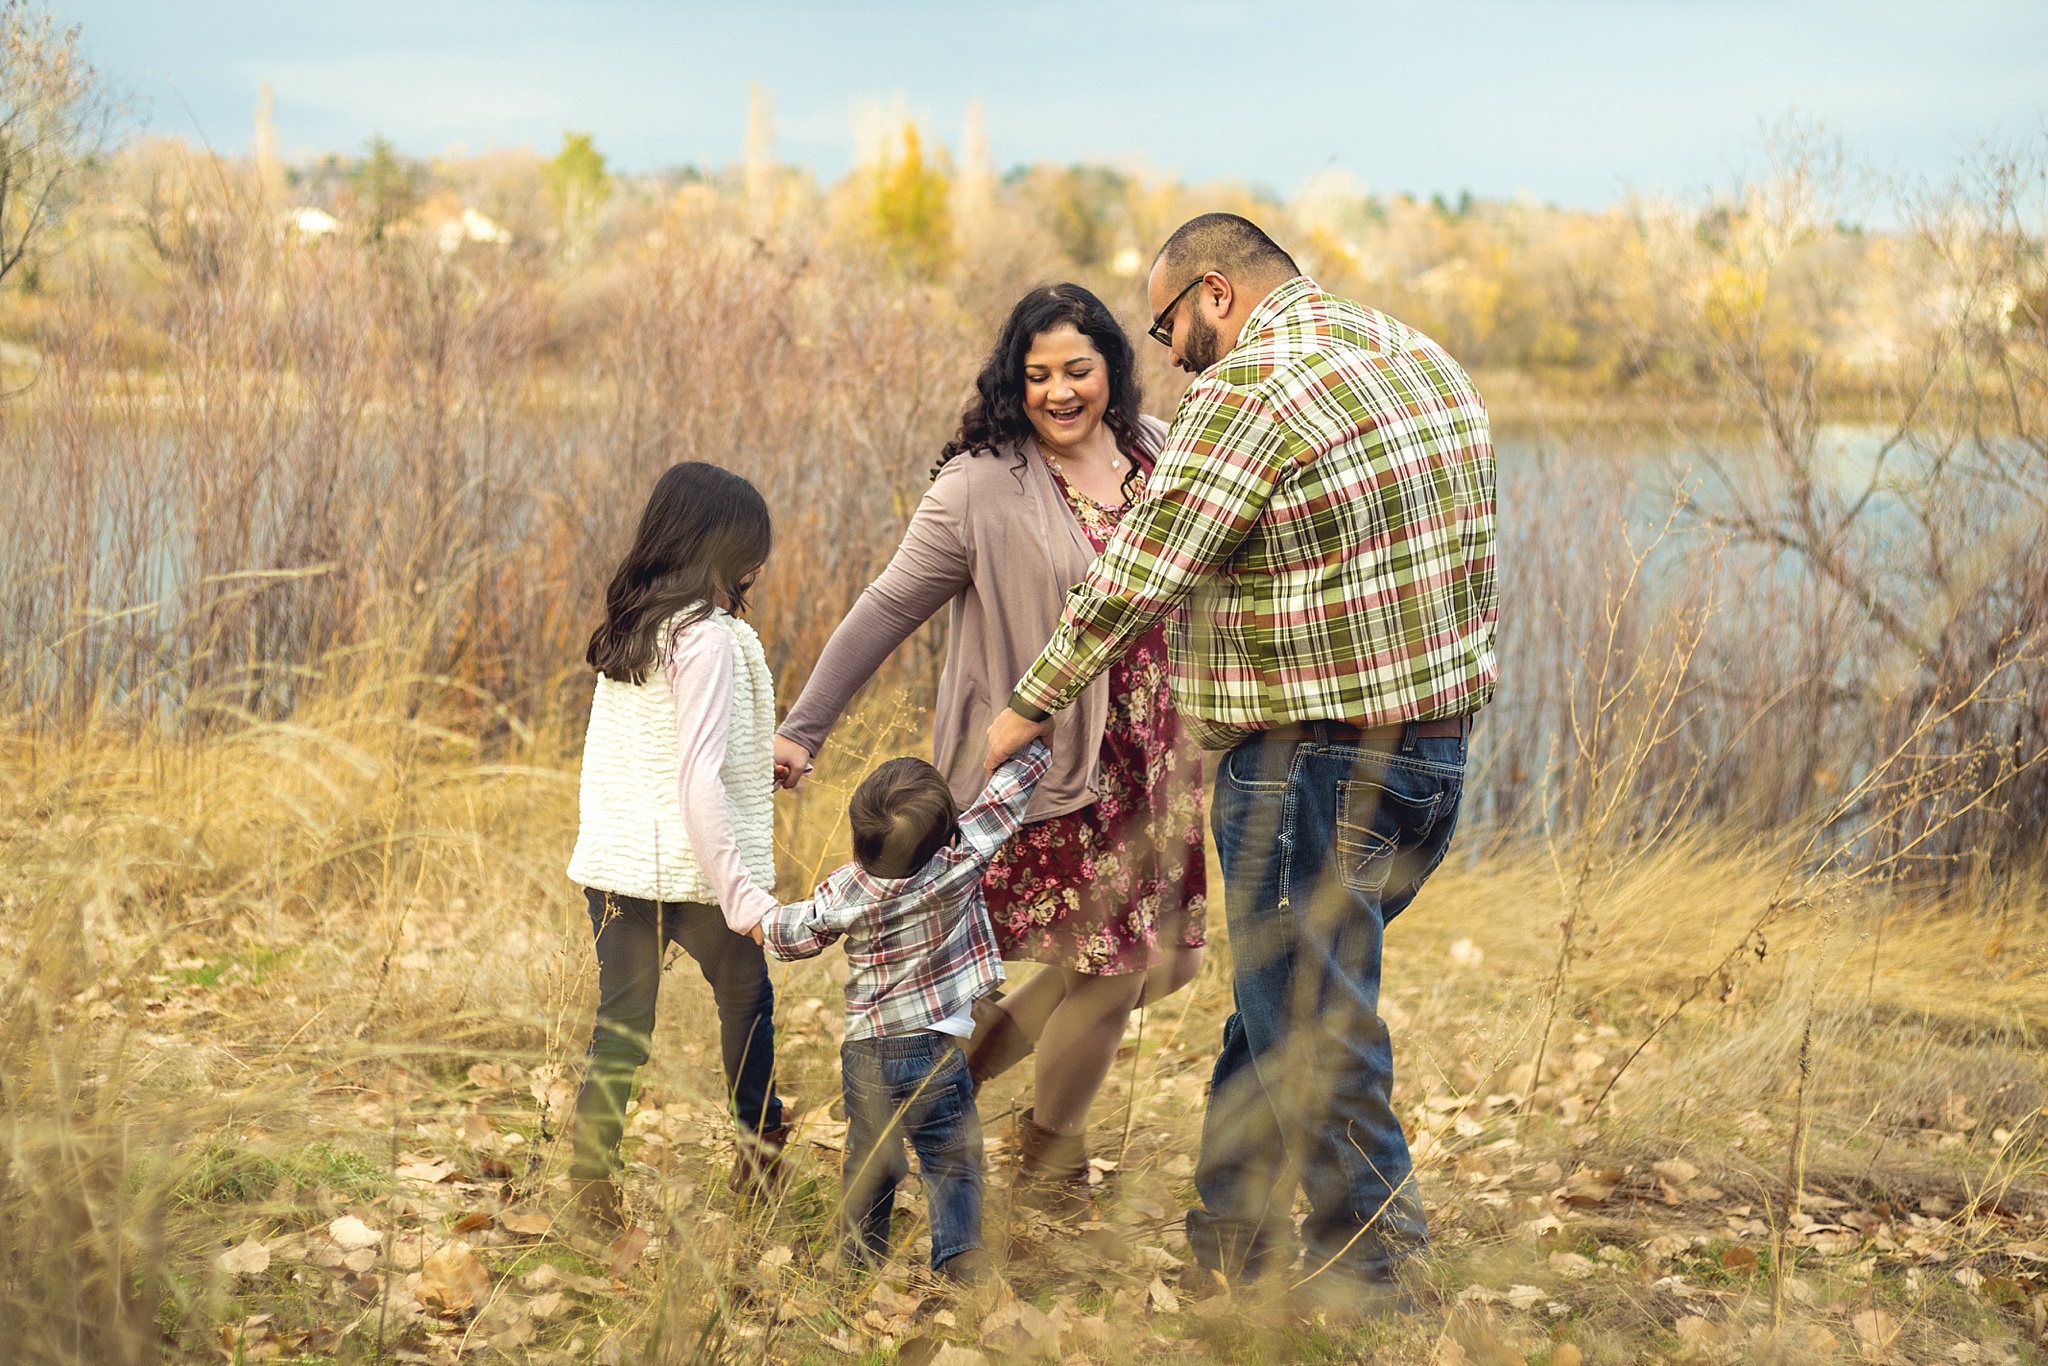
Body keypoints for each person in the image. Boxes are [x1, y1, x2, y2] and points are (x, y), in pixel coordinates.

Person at [983, 214, 1498, 1310]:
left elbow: (1140, 573)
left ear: (1215, 292)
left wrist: (1024, 709)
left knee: (1311, 1017)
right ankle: (1227, 1235)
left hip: (1308, 767)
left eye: (1167, 322)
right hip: (1434, 763)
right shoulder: (1421, 361)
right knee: (1285, 998)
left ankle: (1380, 1278)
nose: (1165, 354)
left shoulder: (1246, 392)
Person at [774, 284, 1207, 1216]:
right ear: (1015, 381)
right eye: (1038, 373)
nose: (1060, 392)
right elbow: (887, 606)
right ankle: (1052, 1165)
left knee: (1171, 961)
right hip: (1051, 764)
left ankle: (943, 1090)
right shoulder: (980, 482)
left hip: (1158, 754)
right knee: (1114, 966)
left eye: (1078, 370)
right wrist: (803, 728)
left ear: (1112, 371)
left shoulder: (1159, 451)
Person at [563, 462, 790, 1233]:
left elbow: (660, 752)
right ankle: (761, 1158)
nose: (759, 565)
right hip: (697, 877)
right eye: (753, 550)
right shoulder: (708, 641)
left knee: (621, 1030)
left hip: (622, 868)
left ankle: (591, 1188)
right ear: (721, 549)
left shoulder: (635, 624)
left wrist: (765, 758)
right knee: (747, 1005)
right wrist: (742, 895)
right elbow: (695, 778)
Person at [761, 739, 1052, 1283]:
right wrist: (1033, 741)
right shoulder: (961, 859)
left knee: (870, 1160)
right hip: (934, 1051)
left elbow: (789, 935)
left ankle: (857, 1263)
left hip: (866, 1052)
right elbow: (1008, 797)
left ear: (859, 837)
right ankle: (960, 1256)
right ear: (947, 833)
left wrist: (753, 916)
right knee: (952, 1160)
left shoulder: (848, 889)